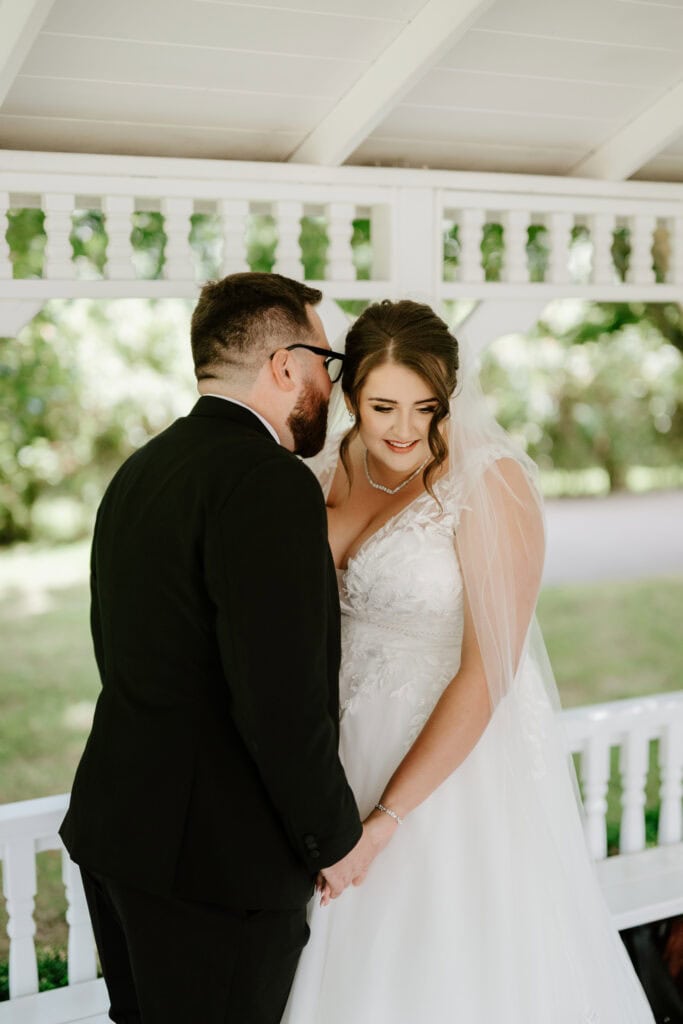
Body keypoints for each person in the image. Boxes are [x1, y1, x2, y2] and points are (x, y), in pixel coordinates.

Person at [283, 299, 656, 1023]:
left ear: (449, 398)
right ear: (350, 394)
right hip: (339, 755)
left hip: (457, 767)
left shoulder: (489, 483)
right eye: (382, 405)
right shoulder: (318, 470)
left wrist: (387, 818)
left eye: (424, 407)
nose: (402, 429)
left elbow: (488, 673)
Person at [60, 272, 377, 1024]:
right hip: (213, 866)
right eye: (325, 366)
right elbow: (279, 697)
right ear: (284, 365)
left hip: (120, 833)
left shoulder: (142, 470)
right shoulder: (267, 481)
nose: (328, 389)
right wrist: (333, 840)